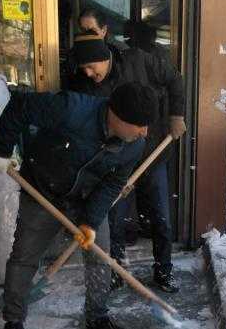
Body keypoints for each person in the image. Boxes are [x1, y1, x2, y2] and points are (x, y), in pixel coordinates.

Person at [0, 82, 158, 329]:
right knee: (24, 257)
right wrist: (0, 149)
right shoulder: (70, 109)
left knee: (99, 254)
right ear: (117, 116)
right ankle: (13, 321)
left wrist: (90, 222)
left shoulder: (134, 145)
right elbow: (20, 105)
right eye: (140, 124)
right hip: (42, 190)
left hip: (85, 198)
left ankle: (97, 315)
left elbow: (112, 184)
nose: (144, 132)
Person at [69, 32, 186, 293]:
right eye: (83, 68)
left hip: (152, 151)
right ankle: (116, 270)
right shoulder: (87, 86)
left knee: (161, 217)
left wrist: (176, 116)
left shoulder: (139, 61)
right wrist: (113, 176)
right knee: (114, 218)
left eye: (91, 66)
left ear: (103, 58)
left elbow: (174, 80)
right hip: (117, 160)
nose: (88, 73)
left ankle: (164, 271)